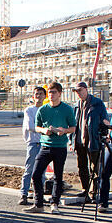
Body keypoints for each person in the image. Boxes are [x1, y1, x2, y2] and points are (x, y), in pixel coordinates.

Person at [26, 82, 76, 215]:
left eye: (53, 92)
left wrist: (64, 130)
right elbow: (37, 127)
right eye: (49, 92)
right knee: (36, 174)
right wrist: (44, 130)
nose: (51, 94)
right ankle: (38, 204)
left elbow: (73, 127)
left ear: (60, 93)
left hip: (60, 147)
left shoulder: (67, 109)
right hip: (45, 146)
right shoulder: (43, 109)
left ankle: (55, 203)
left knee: (58, 177)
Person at [72, 81, 108, 203]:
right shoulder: (77, 105)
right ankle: (85, 189)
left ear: (86, 89)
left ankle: (94, 192)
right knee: (81, 166)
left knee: (95, 168)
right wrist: (72, 141)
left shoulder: (97, 103)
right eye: (76, 91)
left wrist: (102, 135)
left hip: (93, 140)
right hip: (79, 141)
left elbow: (104, 120)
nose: (79, 93)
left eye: (80, 90)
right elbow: (74, 124)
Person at [19, 86, 45, 206]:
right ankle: (23, 194)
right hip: (33, 143)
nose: (38, 96)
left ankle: (39, 195)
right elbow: (30, 126)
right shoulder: (29, 110)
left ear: (45, 96)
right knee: (29, 169)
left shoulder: (46, 110)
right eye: (36, 94)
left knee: (42, 171)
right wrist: (44, 130)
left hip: (44, 143)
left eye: (41, 94)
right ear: (33, 96)